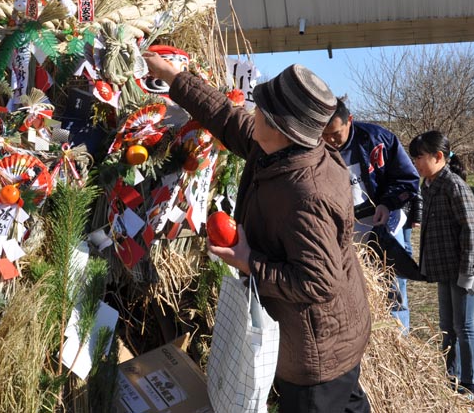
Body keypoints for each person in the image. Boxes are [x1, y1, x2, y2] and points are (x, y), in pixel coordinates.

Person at [143, 54, 372, 412]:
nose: (253, 114)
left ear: (282, 128)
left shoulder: (305, 194)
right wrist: (176, 79)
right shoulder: (277, 151)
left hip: (316, 356)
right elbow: (227, 118)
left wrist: (249, 260)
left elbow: (317, 282)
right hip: (334, 336)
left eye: (261, 110)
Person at [408, 130, 474, 397]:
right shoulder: (430, 184)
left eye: (419, 158)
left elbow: (471, 230)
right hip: (445, 267)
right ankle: (452, 378)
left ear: (438, 156)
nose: (416, 163)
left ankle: (471, 382)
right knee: (447, 326)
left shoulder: (454, 185)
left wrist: (468, 272)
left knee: (464, 325)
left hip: (463, 270)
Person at [321, 98, 419, 331]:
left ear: (350, 121)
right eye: (325, 135)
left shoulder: (377, 140)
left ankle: (398, 340)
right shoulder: (318, 147)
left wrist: (387, 203)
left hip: (384, 223)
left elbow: (407, 180)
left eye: (336, 134)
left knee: (392, 288)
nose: (331, 141)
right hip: (344, 229)